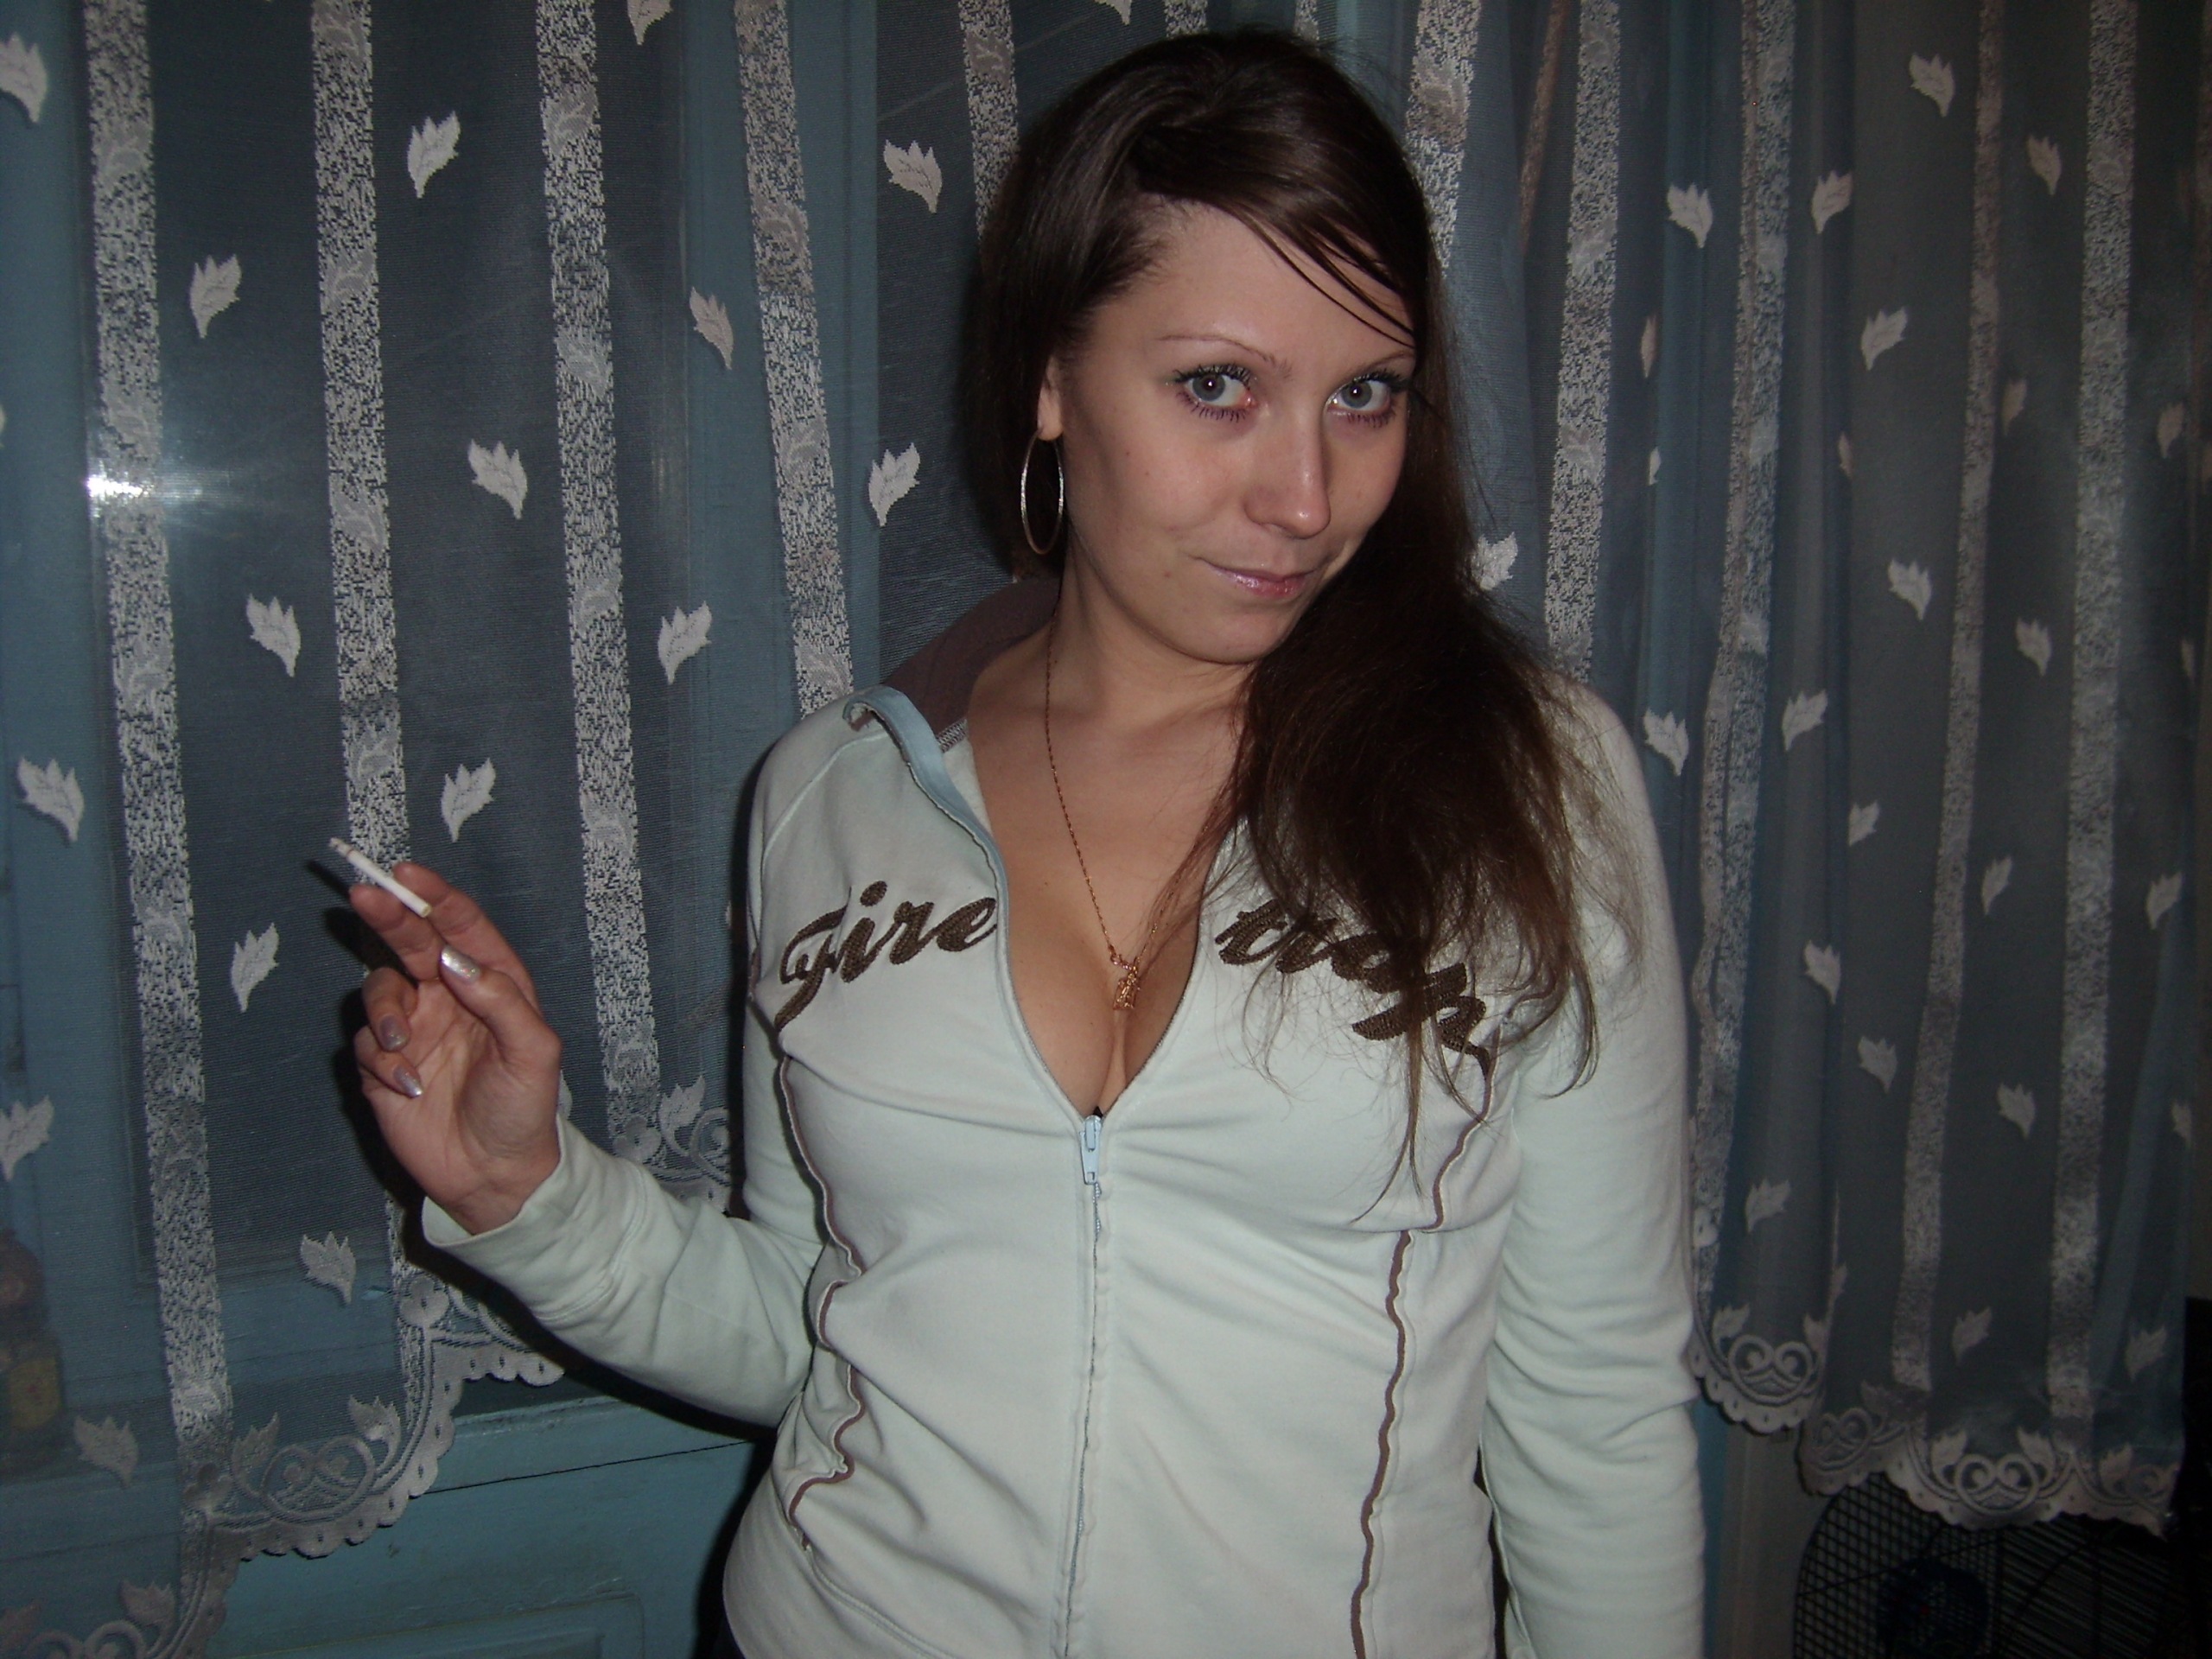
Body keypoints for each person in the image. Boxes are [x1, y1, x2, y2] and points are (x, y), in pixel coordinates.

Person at [346, 30, 1702, 1659]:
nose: (1305, 495)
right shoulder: (830, 796)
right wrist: (530, 1193)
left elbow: (1596, 1415)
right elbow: (819, 1323)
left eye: (1366, 394)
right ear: (1055, 377)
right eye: (1219, 385)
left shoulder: (1530, 787)